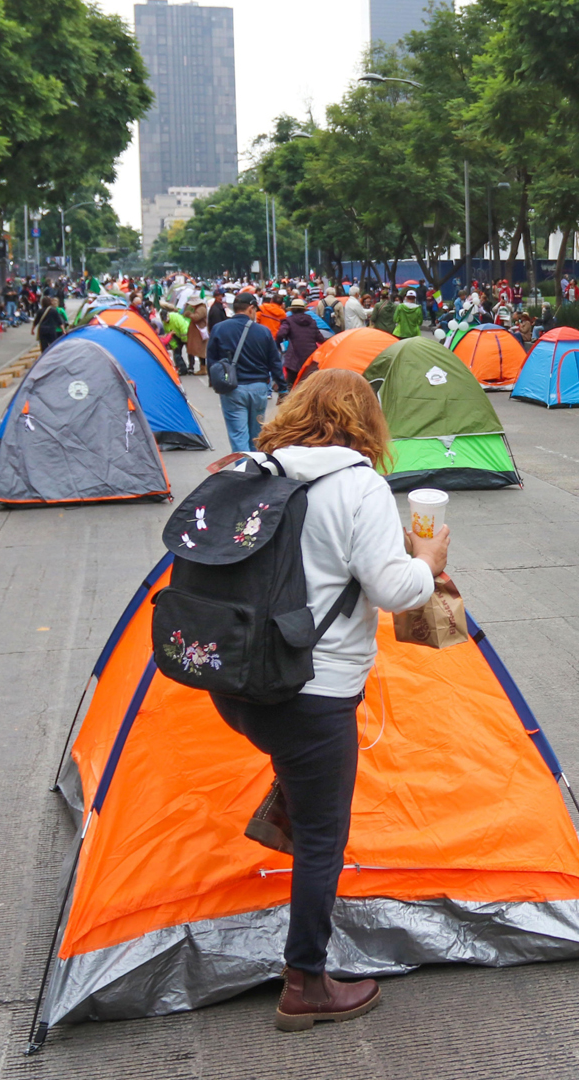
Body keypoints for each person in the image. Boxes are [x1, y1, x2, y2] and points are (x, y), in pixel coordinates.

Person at [205, 368, 445, 1031]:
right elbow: (395, 590)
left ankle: (290, 799)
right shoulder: (358, 484)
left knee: (298, 775)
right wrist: (428, 557)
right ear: (366, 423)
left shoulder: (252, 468)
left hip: (235, 685)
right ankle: (306, 982)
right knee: (322, 840)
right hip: (313, 694)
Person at [209, 292, 285, 452]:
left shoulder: (219, 329)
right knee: (256, 435)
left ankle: (244, 472)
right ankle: (257, 470)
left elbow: (212, 361)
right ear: (250, 308)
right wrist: (283, 389)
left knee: (238, 436)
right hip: (259, 388)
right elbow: (275, 362)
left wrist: (217, 382)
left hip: (233, 389)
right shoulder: (263, 332)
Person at [275, 297, 322, 387]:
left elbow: (281, 334)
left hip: (294, 359)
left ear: (292, 309)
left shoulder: (288, 321)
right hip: (309, 358)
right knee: (308, 385)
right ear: (304, 310)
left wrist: (278, 344)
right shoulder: (312, 321)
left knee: (291, 385)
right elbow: (320, 338)